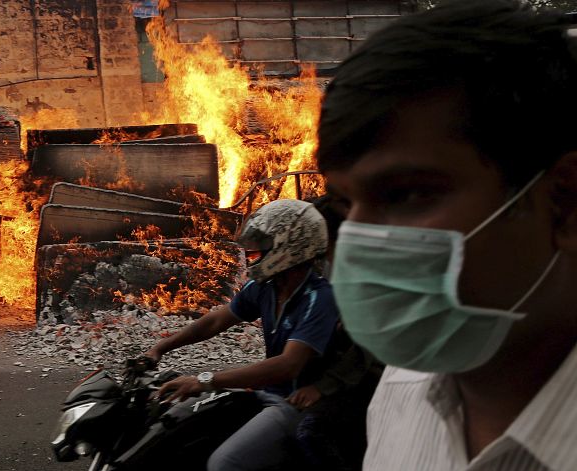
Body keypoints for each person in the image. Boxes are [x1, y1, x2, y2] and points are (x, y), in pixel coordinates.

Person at [316, 1, 577, 469]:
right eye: (343, 204)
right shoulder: (399, 395)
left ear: (565, 203)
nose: (355, 242)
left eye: (407, 194)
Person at [145, 198, 339, 471]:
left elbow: (288, 365)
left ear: (290, 245)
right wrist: (160, 347)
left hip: (294, 403)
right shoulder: (265, 286)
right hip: (263, 392)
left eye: (261, 246)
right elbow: (216, 321)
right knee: (179, 434)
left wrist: (206, 380)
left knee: (224, 463)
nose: (252, 254)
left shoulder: (318, 298)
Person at [289, 194, 384, 471]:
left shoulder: (365, 270)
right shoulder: (329, 264)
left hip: (371, 376)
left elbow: (368, 346)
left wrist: (323, 387)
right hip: (346, 367)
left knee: (312, 432)